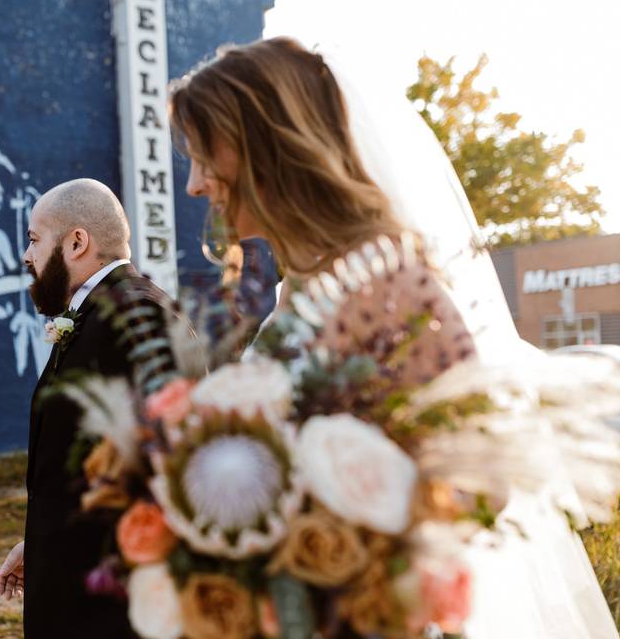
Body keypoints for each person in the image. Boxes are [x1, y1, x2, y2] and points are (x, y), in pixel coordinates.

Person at [168, 36, 617, 638]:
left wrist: (329, 554)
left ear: (266, 147)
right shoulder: (302, 285)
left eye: (204, 156)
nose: (195, 184)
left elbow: (483, 486)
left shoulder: (389, 285)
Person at [0, 178, 178, 637]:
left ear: (77, 242)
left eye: (35, 239)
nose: (26, 256)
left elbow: (162, 484)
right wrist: (39, 543)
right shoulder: (98, 314)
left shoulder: (139, 319)